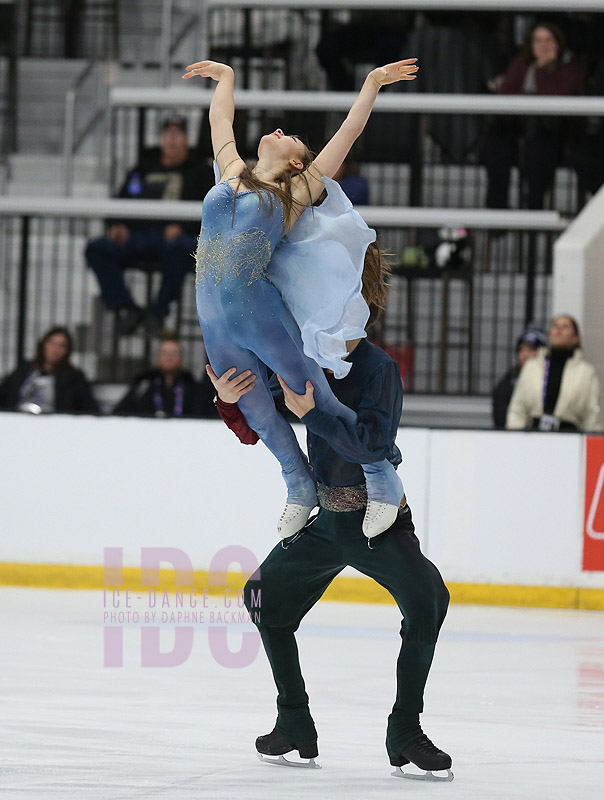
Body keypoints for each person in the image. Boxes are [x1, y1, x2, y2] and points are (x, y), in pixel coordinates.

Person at [208, 254, 453, 780]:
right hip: (327, 522)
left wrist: (313, 414)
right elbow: (260, 422)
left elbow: (372, 442)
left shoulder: (377, 369)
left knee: (430, 600)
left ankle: (405, 730)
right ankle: (294, 719)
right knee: (262, 598)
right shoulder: (304, 362)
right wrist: (228, 401)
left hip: (378, 523)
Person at [184, 57, 418, 537]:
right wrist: (226, 77)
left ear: (296, 161)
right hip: (211, 316)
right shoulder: (229, 172)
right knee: (251, 404)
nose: (281, 130)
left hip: (260, 312)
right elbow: (219, 119)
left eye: (293, 137)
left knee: (310, 396)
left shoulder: (295, 192)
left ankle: (381, 478)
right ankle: (298, 482)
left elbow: (347, 136)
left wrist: (371, 83)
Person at [85, 117, 214, 335]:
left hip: (177, 240)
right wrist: (117, 225)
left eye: (177, 135)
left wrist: (183, 226)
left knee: (181, 248)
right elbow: (122, 199)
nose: (172, 140)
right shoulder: (143, 169)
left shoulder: (200, 172)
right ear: (161, 139)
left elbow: (211, 209)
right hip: (138, 237)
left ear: (186, 140)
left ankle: (158, 312)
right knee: (97, 249)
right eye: (168, 135)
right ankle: (126, 308)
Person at [484, 22, 583, 210]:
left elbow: (557, 96)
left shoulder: (569, 66)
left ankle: (533, 211)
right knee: (496, 145)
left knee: (539, 151)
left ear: (558, 44)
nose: (543, 46)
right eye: (537, 40)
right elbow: (506, 93)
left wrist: (539, 70)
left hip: (553, 131)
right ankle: (496, 209)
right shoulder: (521, 63)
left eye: (548, 40)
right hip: (518, 127)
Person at [506, 314, 602, 432]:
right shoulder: (532, 367)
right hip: (534, 434)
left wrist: (593, 439)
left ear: (576, 338)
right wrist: (514, 435)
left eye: (565, 327)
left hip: (570, 436)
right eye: (555, 326)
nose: (559, 330)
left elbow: (592, 414)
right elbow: (517, 409)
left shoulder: (586, 373)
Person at [0, 326, 99, 414]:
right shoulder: (24, 370)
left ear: (67, 351)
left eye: (61, 346)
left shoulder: (74, 378)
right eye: (52, 343)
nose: (55, 349)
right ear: (43, 345)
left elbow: (89, 408)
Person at [112, 333, 214, 418]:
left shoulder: (192, 388)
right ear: (158, 358)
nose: (169, 358)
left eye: (174, 353)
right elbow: (119, 413)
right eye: (165, 353)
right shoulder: (143, 387)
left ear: (181, 359)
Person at [492, 326, 546, 429]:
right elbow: (501, 417)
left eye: (531, 350)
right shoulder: (508, 382)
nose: (524, 354)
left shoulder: (549, 378)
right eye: (521, 350)